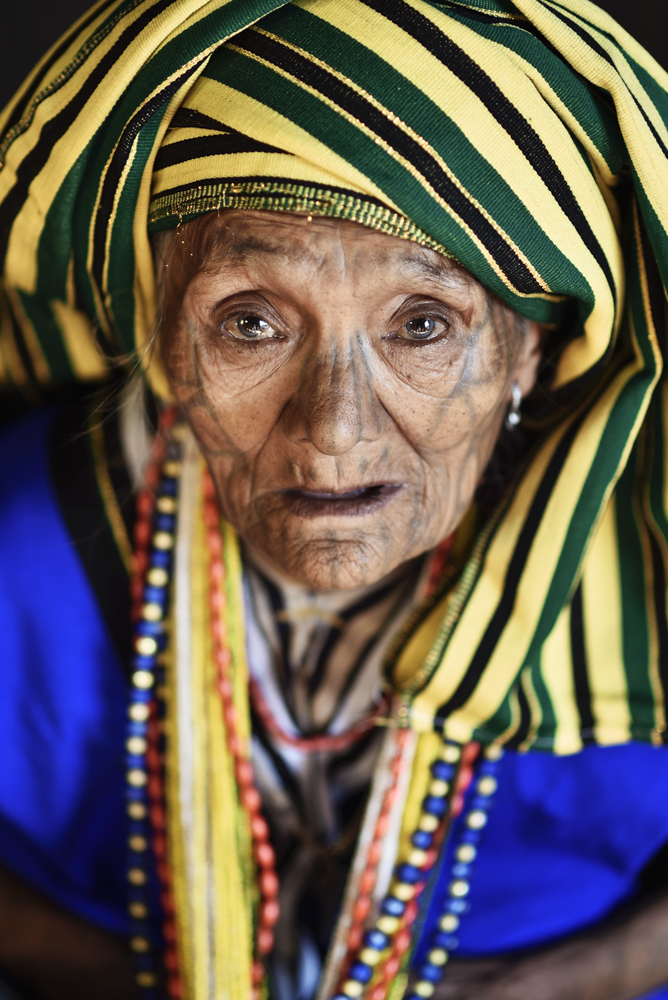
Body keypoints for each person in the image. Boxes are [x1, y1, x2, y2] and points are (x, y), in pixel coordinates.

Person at [0, 1, 668, 999]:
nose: (334, 428)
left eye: (421, 323)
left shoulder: (642, 560)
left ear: (530, 346)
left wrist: (563, 983)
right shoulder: (25, 544)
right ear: (157, 334)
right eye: (251, 321)